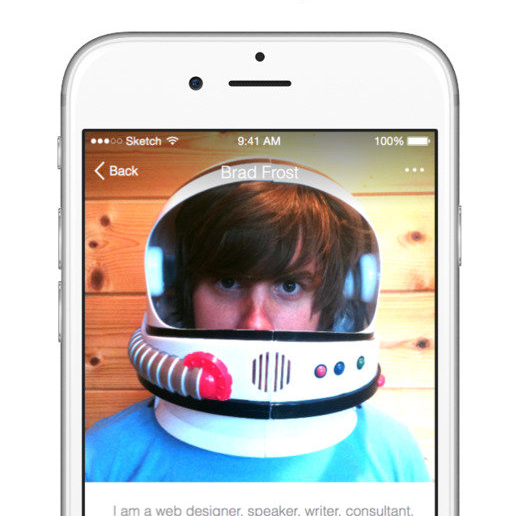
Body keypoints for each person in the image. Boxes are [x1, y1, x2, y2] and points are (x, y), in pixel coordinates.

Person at [85, 162, 430, 483]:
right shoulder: (104, 458)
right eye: (228, 282)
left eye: (289, 286)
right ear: (183, 295)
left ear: (334, 304)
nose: (255, 323)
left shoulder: (393, 455)